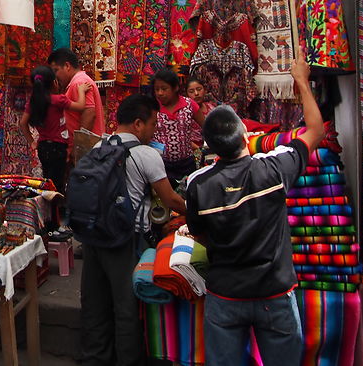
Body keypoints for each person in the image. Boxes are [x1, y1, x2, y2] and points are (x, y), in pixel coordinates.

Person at [184, 50, 323, 365]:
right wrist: (301, 81)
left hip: (224, 295)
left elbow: (200, 234)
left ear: (211, 148)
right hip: (273, 294)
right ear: (246, 136)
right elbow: (316, 132)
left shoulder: (198, 185)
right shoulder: (273, 169)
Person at [78, 94, 186, 366]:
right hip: (125, 239)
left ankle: (95, 359)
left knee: (95, 305)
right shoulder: (146, 155)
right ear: (138, 124)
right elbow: (171, 199)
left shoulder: (97, 147)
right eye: (152, 124)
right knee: (126, 307)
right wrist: (199, 212)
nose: (154, 131)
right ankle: (128, 360)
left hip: (92, 236)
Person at [19, 64, 88, 234]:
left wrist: (31, 141)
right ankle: (53, 226)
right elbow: (80, 106)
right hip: (58, 148)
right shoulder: (58, 100)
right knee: (55, 187)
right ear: (53, 83)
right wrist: (81, 90)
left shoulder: (33, 103)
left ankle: (47, 222)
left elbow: (22, 123)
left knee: (47, 183)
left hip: (43, 147)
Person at [151, 68, 205, 186]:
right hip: (161, 165)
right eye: (157, 89)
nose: (160, 93)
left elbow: (206, 126)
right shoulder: (152, 107)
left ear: (175, 88)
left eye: (164, 89)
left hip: (187, 164)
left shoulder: (189, 105)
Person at [47, 47, 105, 136]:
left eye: (56, 70)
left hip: (85, 148)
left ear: (67, 66)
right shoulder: (77, 82)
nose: (55, 76)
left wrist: (78, 146)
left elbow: (89, 114)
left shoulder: (79, 82)